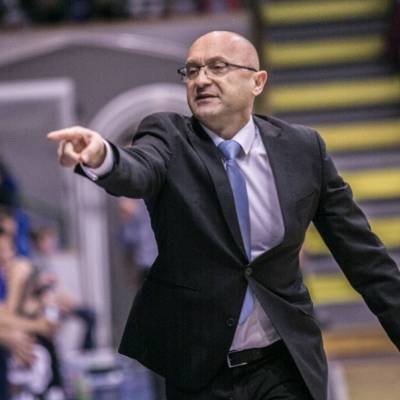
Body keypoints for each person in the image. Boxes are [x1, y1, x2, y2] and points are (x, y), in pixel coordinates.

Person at [47, 31, 400, 400]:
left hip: (283, 364)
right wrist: (103, 156)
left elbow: (363, 257)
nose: (201, 79)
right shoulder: (168, 136)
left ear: (257, 81)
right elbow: (138, 170)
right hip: (200, 370)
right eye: (192, 70)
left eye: (218, 67)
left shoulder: (303, 149)